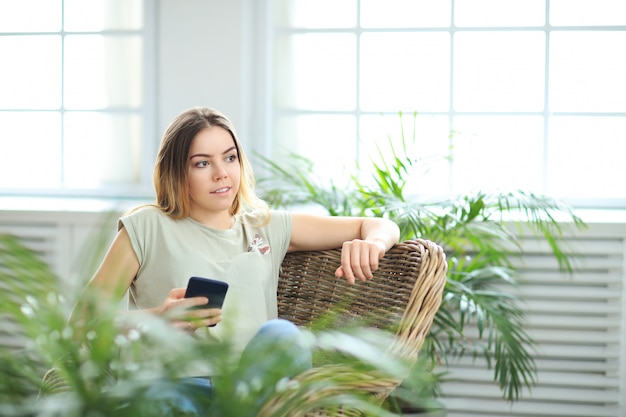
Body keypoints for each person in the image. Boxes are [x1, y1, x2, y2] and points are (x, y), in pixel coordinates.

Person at [75, 107, 400, 415]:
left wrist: (373, 243)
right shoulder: (146, 226)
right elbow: (82, 323)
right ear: (177, 171)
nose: (222, 174)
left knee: (283, 336)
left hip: (250, 393)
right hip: (172, 386)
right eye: (202, 163)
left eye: (230, 158)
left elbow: (379, 225)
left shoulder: (264, 225)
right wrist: (159, 318)